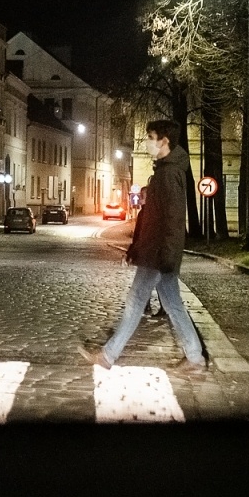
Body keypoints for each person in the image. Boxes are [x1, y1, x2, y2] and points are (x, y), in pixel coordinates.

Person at [86, 119, 206, 377]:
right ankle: (195, 357)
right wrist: (137, 247)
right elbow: (153, 217)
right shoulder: (165, 170)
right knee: (172, 303)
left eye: (151, 137)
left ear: (164, 141)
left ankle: (108, 356)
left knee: (135, 301)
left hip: (158, 254)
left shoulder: (170, 173)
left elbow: (174, 219)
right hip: (156, 251)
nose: (147, 142)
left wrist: (167, 256)